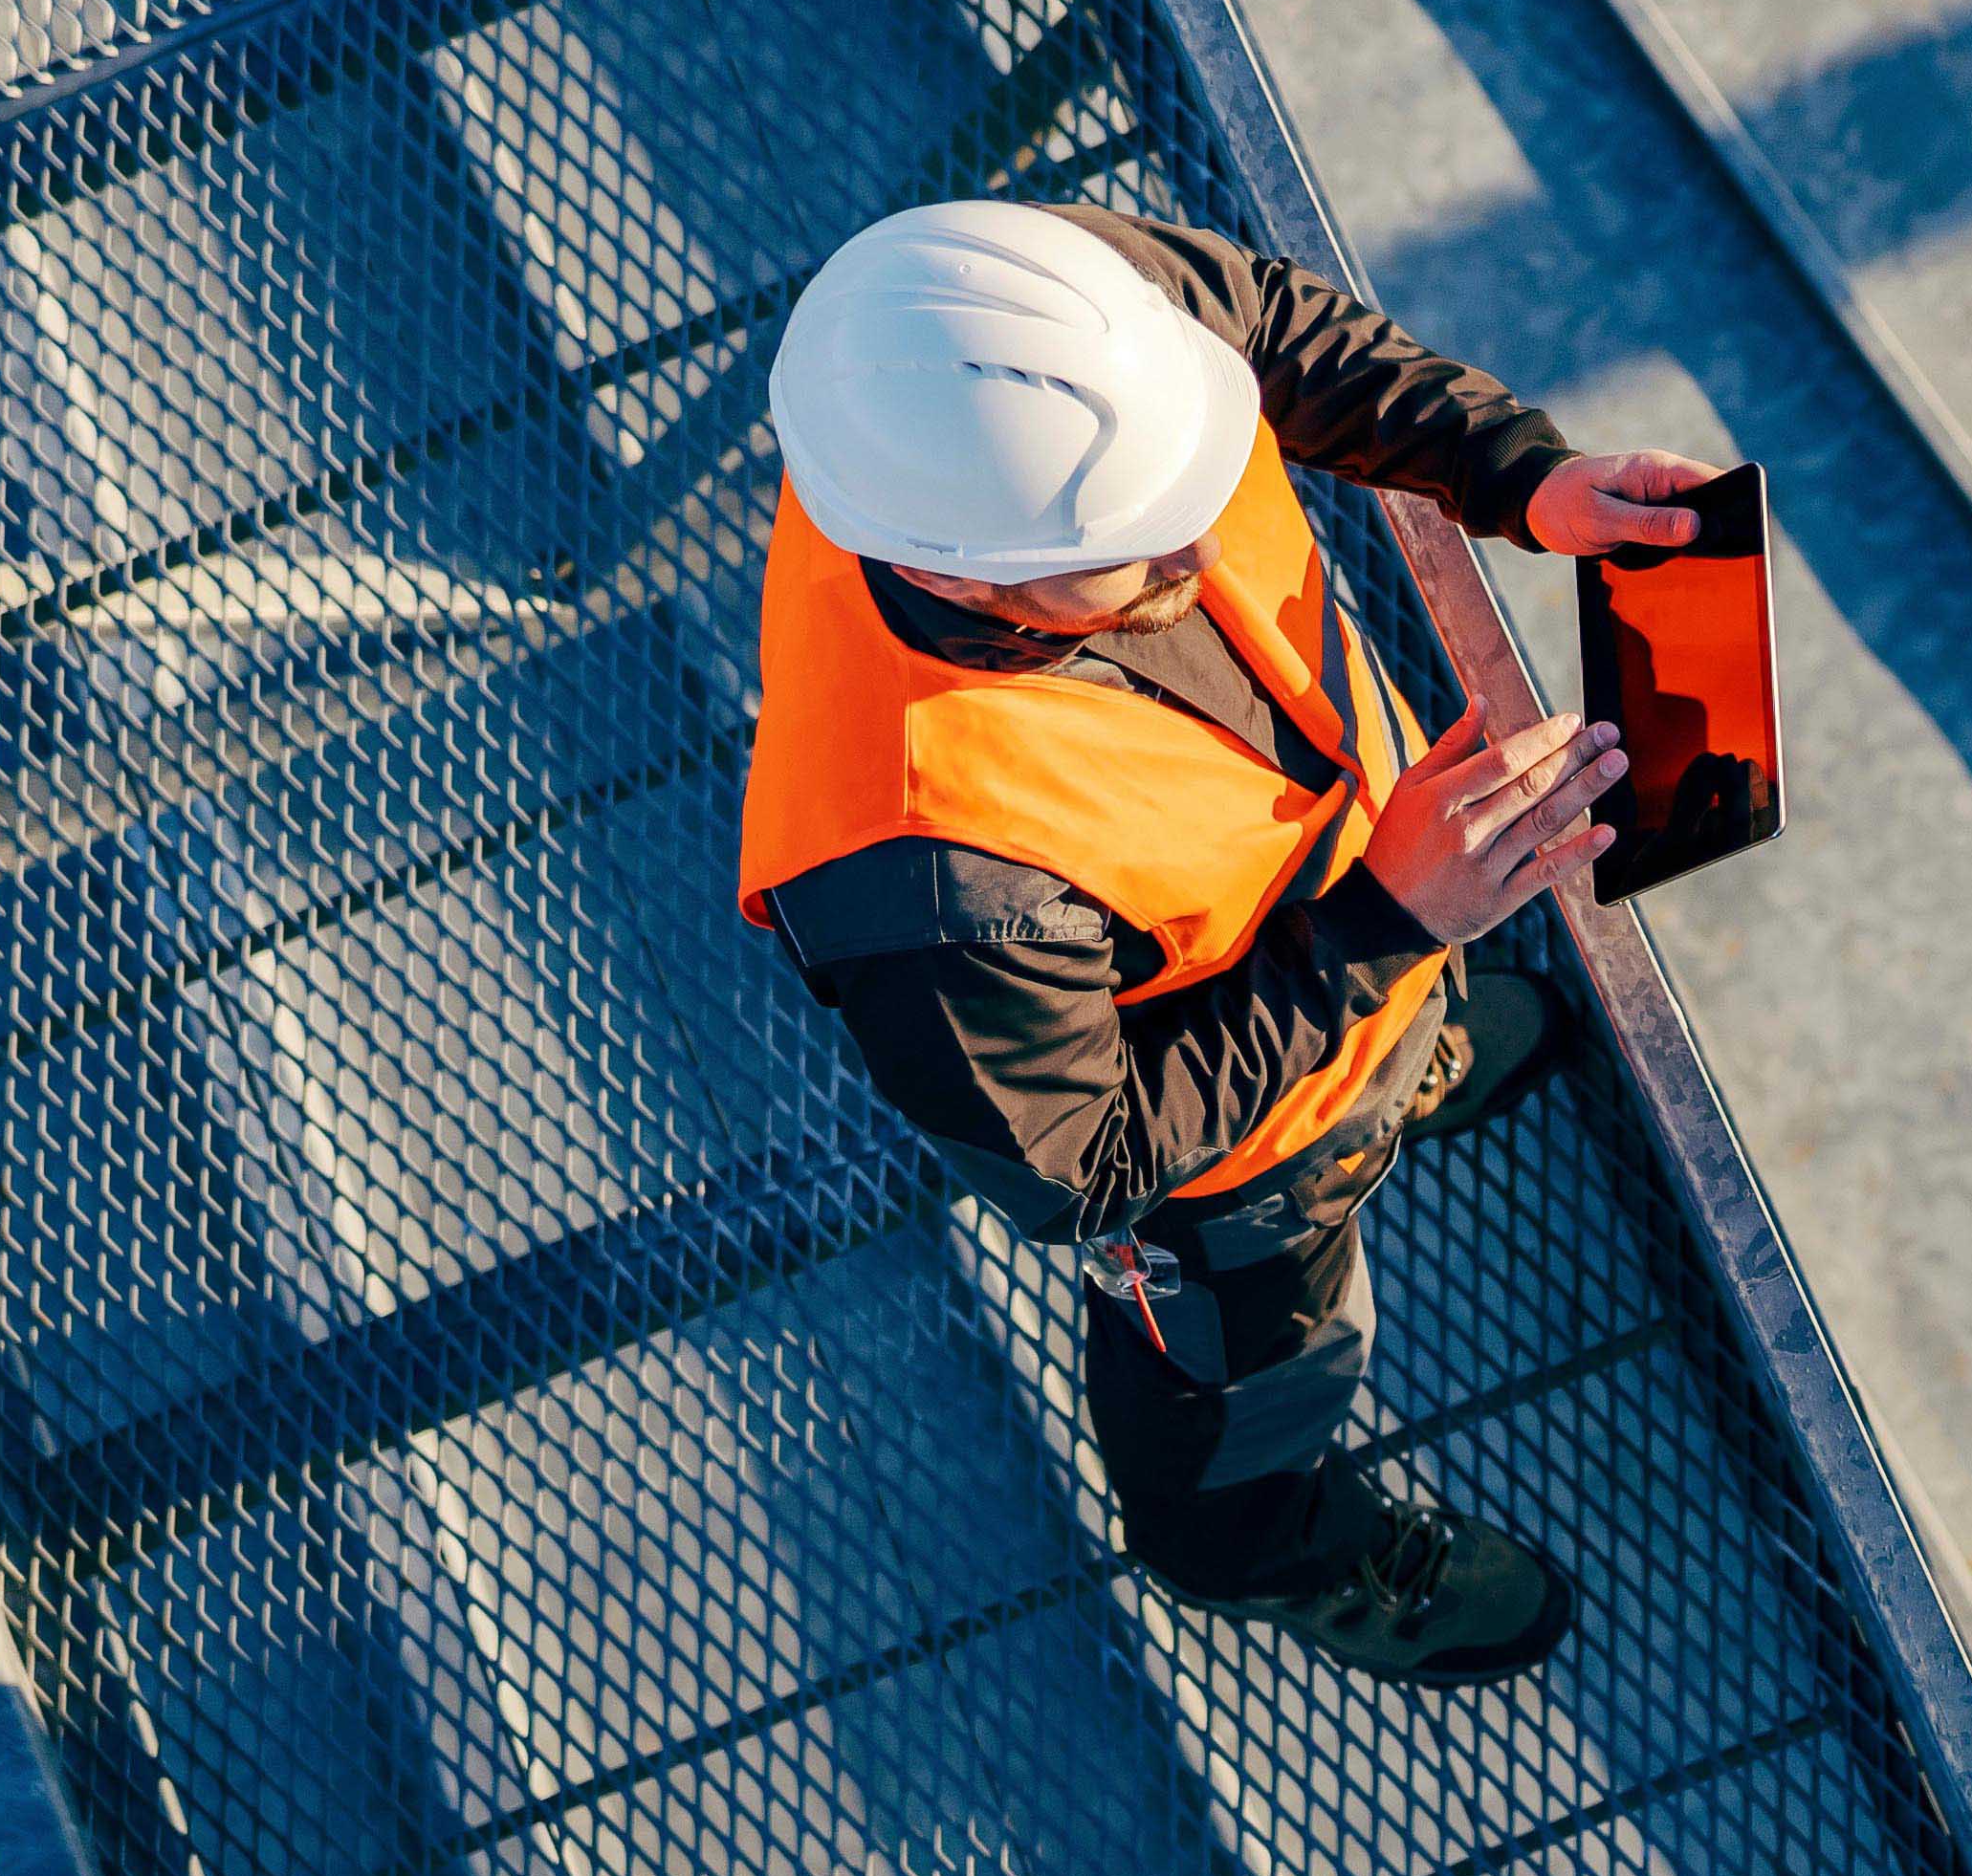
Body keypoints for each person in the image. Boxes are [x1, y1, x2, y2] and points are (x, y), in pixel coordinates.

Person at [736, 201, 1720, 1688]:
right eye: (1136, 555)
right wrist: (1386, 921)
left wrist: (1521, 474)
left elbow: (1276, 327)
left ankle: (1412, 1053)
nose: (1202, 542)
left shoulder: (1036, 325)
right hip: (1246, 1178)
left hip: (1364, 907)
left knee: (1407, 986)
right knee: (1248, 1382)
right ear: (960, 580)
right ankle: (1261, 1550)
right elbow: (1093, 1168)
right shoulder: (920, 868)